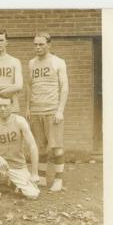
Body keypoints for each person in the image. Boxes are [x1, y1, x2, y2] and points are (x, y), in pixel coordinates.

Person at [26, 32, 69, 191]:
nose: (38, 47)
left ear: (49, 45)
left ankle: (58, 180)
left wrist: (60, 110)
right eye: (35, 44)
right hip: (36, 110)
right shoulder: (31, 63)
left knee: (56, 146)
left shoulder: (58, 62)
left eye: (41, 44)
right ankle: (42, 177)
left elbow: (64, 86)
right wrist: (28, 108)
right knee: (40, 146)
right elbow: (29, 86)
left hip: (52, 110)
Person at [0, 96, 40, 200]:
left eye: (6, 105)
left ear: (12, 106)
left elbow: (33, 146)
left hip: (17, 166)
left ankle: (7, 184)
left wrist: (35, 173)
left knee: (33, 195)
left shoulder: (20, 121)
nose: (3, 108)